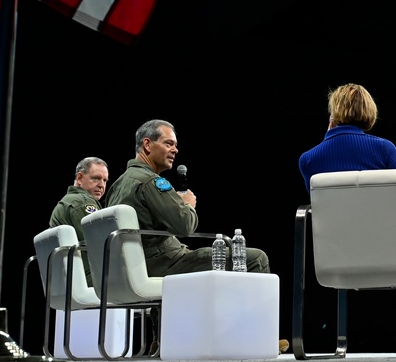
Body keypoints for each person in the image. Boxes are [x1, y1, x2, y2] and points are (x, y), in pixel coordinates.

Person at [298, 83, 396, 358]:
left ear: (333, 114)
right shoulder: (384, 149)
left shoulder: (308, 160)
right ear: (369, 112)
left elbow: (324, 211)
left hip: (337, 258)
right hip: (393, 255)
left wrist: (329, 134)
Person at [105, 118, 271, 276]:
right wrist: (187, 204)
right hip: (163, 263)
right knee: (256, 258)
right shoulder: (151, 182)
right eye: (168, 143)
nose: (175, 150)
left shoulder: (116, 186)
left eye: (175, 145)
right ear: (147, 144)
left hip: (130, 268)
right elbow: (185, 226)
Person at [48, 156, 109, 287]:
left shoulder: (66, 201)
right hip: (90, 278)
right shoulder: (82, 203)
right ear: (80, 178)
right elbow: (102, 244)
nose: (102, 185)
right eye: (96, 178)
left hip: (69, 279)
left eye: (105, 180)